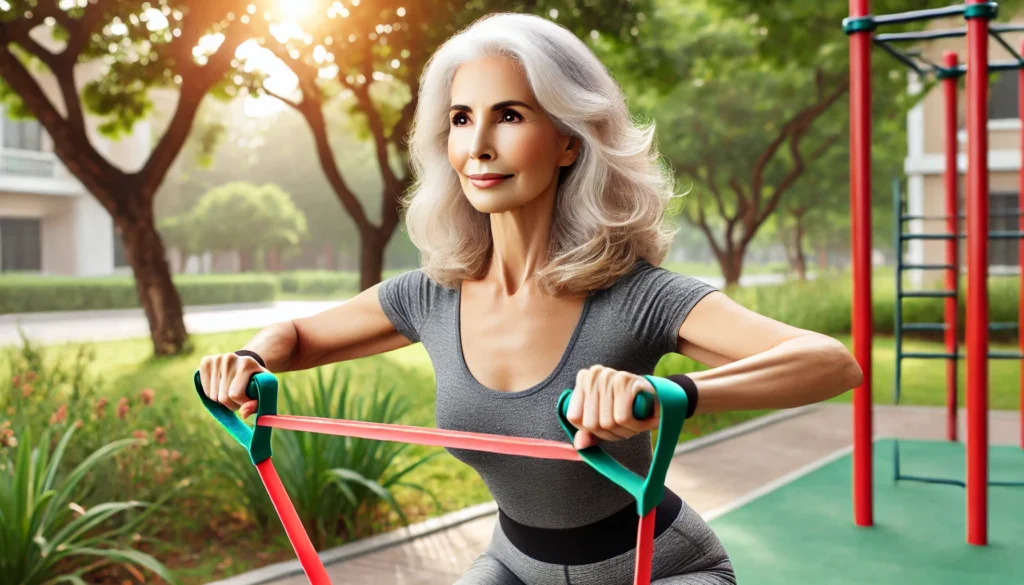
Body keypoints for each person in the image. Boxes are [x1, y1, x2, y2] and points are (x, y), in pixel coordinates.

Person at [198, 12, 863, 585]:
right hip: (515, 565)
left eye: (509, 116)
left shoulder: (638, 296)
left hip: (662, 565)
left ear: (570, 140)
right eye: (462, 119)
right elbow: (294, 335)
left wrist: (671, 398)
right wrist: (248, 360)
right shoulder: (431, 295)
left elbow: (832, 362)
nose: (479, 146)